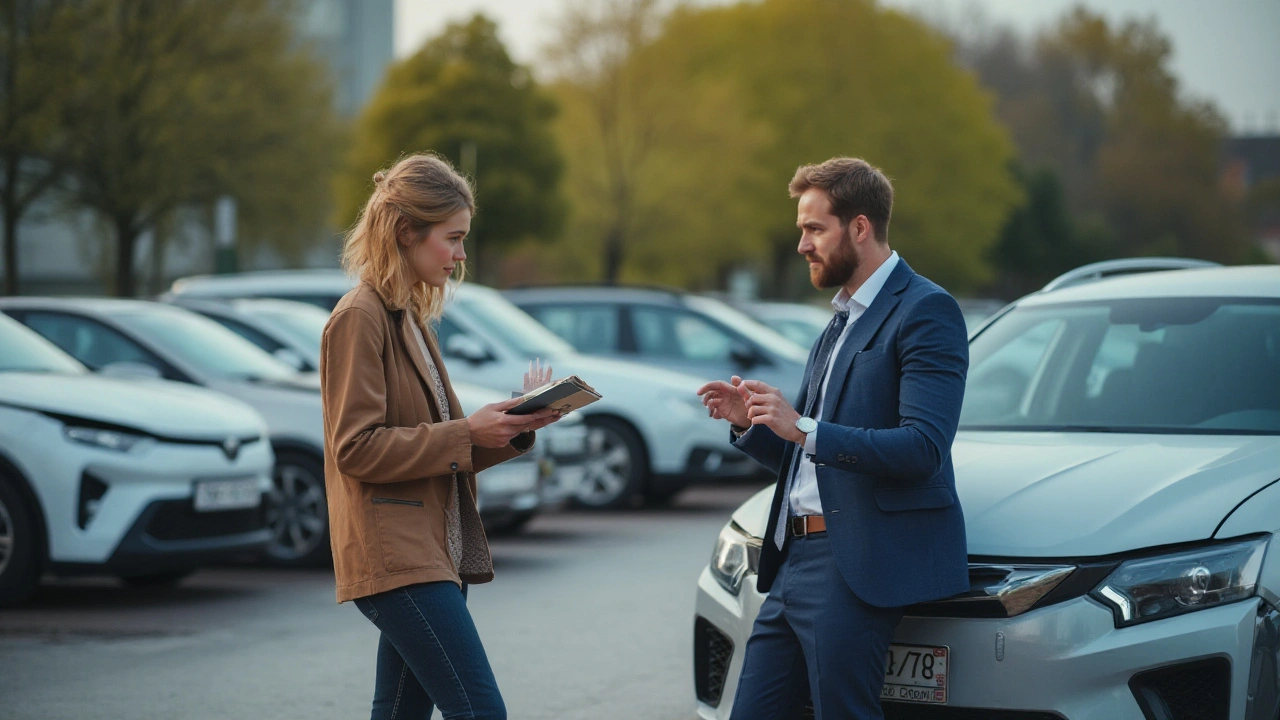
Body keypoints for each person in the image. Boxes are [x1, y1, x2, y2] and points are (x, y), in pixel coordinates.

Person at [697, 157, 969, 719]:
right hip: (791, 560)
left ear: (860, 228)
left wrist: (803, 427)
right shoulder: (840, 319)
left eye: (814, 228)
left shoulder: (926, 311)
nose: (802, 244)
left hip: (854, 567)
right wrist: (754, 424)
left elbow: (923, 448)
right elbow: (813, 457)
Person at [320, 153, 561, 720]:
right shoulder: (360, 316)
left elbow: (443, 446)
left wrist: (514, 428)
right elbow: (355, 449)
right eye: (451, 239)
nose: (460, 255)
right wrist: (464, 430)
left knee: (401, 713)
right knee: (480, 712)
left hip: (433, 547)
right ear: (406, 232)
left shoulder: (409, 316)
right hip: (397, 554)